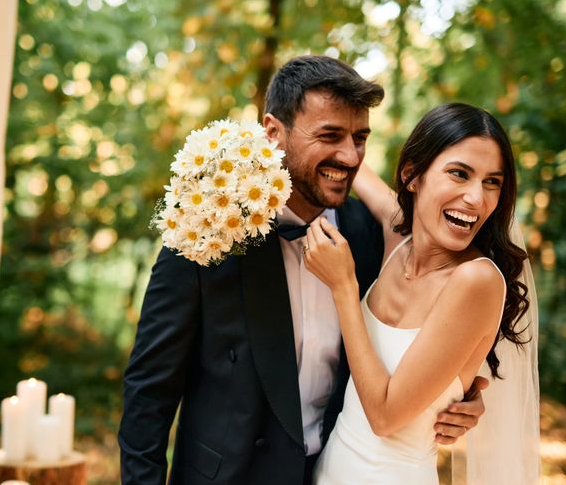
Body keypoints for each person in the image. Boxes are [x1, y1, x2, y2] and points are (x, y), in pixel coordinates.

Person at [119, 57, 486, 485]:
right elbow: (149, 393)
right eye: (330, 135)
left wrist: (460, 397)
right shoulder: (207, 230)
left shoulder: (369, 233)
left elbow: (409, 339)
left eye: (360, 138)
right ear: (273, 132)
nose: (350, 156)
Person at [305, 103, 539, 484]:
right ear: (412, 175)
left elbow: (384, 417)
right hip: (330, 469)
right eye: (459, 174)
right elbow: (350, 163)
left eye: (492, 182)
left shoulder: (475, 281)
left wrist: (344, 288)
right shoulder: (399, 238)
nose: (476, 199)